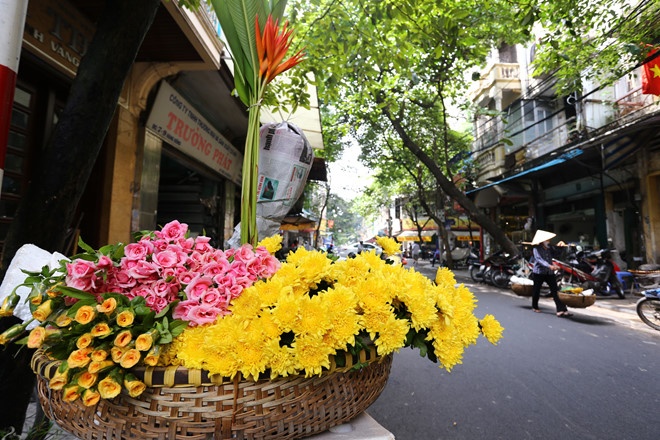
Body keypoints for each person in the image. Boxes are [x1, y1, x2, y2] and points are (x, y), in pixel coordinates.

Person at [527, 230, 572, 317]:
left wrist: (560, 247)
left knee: (555, 290)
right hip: (539, 272)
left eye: (549, 240)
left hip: (549, 273)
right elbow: (539, 260)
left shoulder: (549, 248)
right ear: (542, 241)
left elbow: (557, 254)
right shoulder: (536, 249)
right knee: (536, 289)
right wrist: (549, 266)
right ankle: (535, 306)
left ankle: (561, 309)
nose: (548, 241)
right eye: (547, 240)